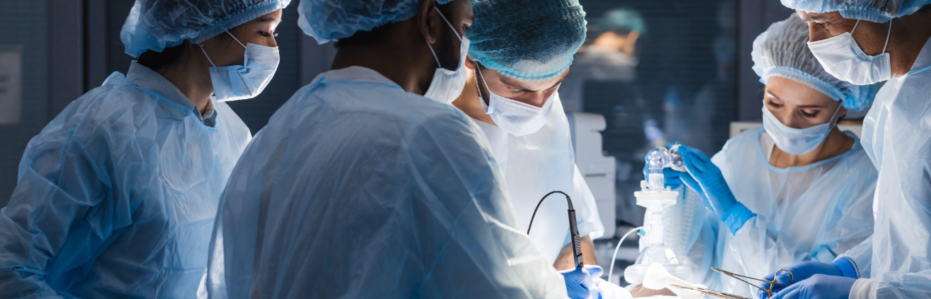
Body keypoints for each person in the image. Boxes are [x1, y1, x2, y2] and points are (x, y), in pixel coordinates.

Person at [200, 0, 571, 298]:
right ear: (429, 17)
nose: (465, 51)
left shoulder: (273, 138)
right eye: (464, 28)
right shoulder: (429, 135)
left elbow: (224, 284)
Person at [0, 0, 288, 297]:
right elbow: (11, 270)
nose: (272, 50)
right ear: (205, 26)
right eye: (265, 31)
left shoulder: (232, 133)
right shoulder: (100, 129)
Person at [763, 0, 931, 298]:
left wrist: (861, 293)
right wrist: (851, 268)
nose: (813, 42)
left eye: (822, 23)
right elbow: (917, 232)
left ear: (883, 4)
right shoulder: (911, 75)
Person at [633, 13, 879, 298]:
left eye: (809, 112)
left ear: (844, 105)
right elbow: (696, 270)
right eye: (774, 103)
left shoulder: (867, 177)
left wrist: (737, 217)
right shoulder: (740, 152)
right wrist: (675, 202)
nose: (787, 122)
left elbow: (815, 288)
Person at [449, 0, 624, 298]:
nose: (538, 106)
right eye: (518, 89)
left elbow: (576, 229)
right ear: (470, 58)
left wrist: (575, 273)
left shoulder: (548, 113)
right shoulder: (431, 130)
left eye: (554, 86)